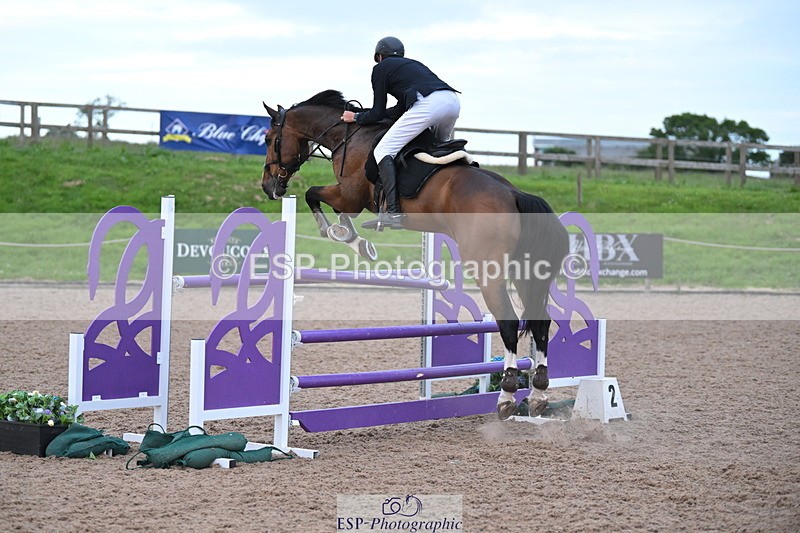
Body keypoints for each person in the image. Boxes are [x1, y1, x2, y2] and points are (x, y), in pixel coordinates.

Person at [342, 36, 460, 230]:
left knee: (383, 151)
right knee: (435, 151)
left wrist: (355, 118)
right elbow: (398, 110)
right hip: (452, 102)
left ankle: (393, 213)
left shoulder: (380, 68)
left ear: (379, 56)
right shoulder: (413, 66)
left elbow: (378, 112)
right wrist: (363, 114)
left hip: (429, 106)